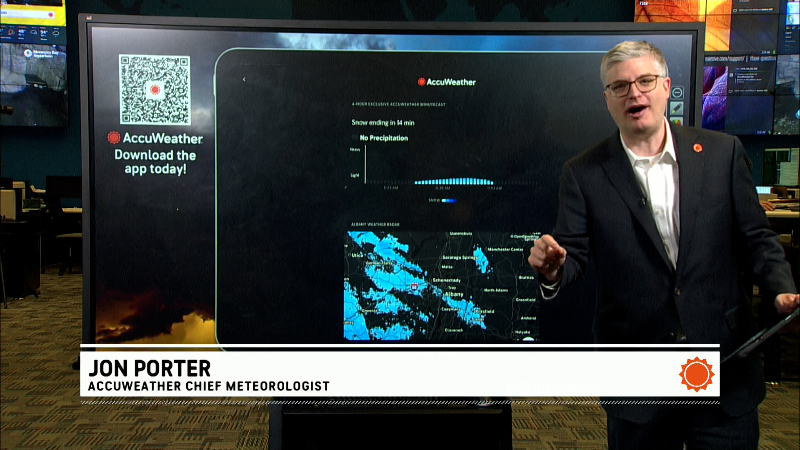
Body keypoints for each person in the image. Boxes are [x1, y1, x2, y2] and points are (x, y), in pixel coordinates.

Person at [527, 41, 800, 450]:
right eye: (620, 87)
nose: (634, 93)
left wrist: (780, 289)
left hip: (723, 365)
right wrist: (553, 269)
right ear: (607, 100)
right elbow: (573, 256)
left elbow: (757, 237)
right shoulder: (583, 173)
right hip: (639, 378)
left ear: (666, 87)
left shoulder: (722, 153)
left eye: (645, 81)